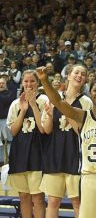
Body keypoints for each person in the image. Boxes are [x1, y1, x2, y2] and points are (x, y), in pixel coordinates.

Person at [36, 68, 96, 218]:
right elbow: (58, 101)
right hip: (90, 180)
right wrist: (44, 80)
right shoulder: (82, 116)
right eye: (95, 90)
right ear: (90, 93)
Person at [40, 64, 92, 218]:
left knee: (77, 202)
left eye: (83, 74)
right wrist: (49, 116)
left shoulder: (86, 102)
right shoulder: (54, 97)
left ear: (85, 80)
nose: (79, 76)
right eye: (76, 72)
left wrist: (67, 111)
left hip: (75, 157)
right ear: (68, 76)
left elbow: (82, 132)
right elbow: (47, 130)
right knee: (53, 202)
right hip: (54, 156)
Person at [6, 69, 48, 218]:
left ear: (37, 83)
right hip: (19, 154)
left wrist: (33, 105)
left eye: (32, 81)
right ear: (22, 83)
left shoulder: (44, 101)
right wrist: (23, 110)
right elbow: (13, 131)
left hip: (38, 154)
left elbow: (43, 129)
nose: (29, 84)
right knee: (23, 197)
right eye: (26, 81)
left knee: (38, 198)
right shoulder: (15, 104)